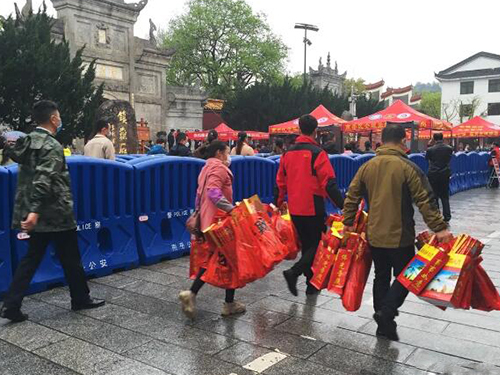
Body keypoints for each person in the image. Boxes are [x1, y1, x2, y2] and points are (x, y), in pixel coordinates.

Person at [343, 123, 451, 341]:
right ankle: (387, 312)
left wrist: (348, 222)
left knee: (381, 276)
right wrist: (439, 227)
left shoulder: (367, 166)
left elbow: (351, 195)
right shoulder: (407, 167)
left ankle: (383, 325)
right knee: (408, 274)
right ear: (403, 141)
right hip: (400, 235)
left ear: (381, 141)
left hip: (374, 234)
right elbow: (425, 200)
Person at [0, 100, 105, 323]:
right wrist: (36, 210)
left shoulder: (26, 141)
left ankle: (11, 303)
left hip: (34, 213)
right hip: (56, 213)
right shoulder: (52, 146)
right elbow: (44, 178)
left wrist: (31, 210)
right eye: (58, 116)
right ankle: (80, 298)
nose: (60, 119)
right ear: (53, 119)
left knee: (31, 259)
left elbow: (15, 155)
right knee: (71, 258)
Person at [276, 115, 344, 296]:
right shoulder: (317, 153)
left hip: (295, 207)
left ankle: (311, 284)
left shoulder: (287, 153)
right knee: (316, 244)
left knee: (307, 245)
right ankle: (295, 272)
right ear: (316, 131)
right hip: (313, 206)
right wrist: (343, 205)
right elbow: (328, 183)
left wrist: (278, 202)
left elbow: (280, 182)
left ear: (299, 129)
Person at [179, 141, 246, 318]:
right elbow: (213, 192)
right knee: (231, 260)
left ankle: (192, 294)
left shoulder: (205, 168)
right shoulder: (219, 168)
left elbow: (199, 195)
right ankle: (228, 304)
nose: (228, 156)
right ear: (219, 153)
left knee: (212, 260)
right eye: (225, 152)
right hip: (219, 222)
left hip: (207, 221)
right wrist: (232, 209)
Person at [426, 133, 453, 222]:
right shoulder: (449, 149)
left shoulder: (430, 149)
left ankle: (436, 214)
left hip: (433, 174)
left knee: (434, 195)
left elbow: (427, 158)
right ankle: (447, 215)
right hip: (445, 173)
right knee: (445, 196)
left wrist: (429, 144)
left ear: (434, 139)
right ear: (443, 138)